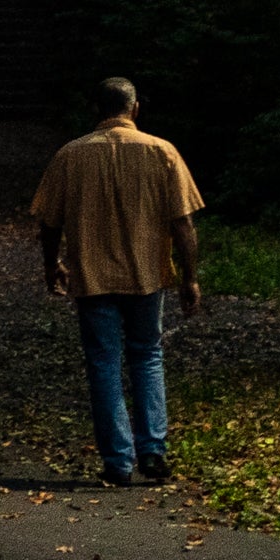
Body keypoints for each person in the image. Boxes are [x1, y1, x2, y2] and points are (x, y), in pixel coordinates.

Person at [29, 77, 203, 485]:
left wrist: (51, 263)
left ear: (97, 111)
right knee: (147, 355)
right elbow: (184, 223)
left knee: (104, 362)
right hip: (146, 274)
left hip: (92, 276)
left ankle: (118, 461)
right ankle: (153, 451)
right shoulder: (163, 152)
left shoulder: (70, 156)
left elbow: (48, 221)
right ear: (136, 108)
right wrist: (190, 278)